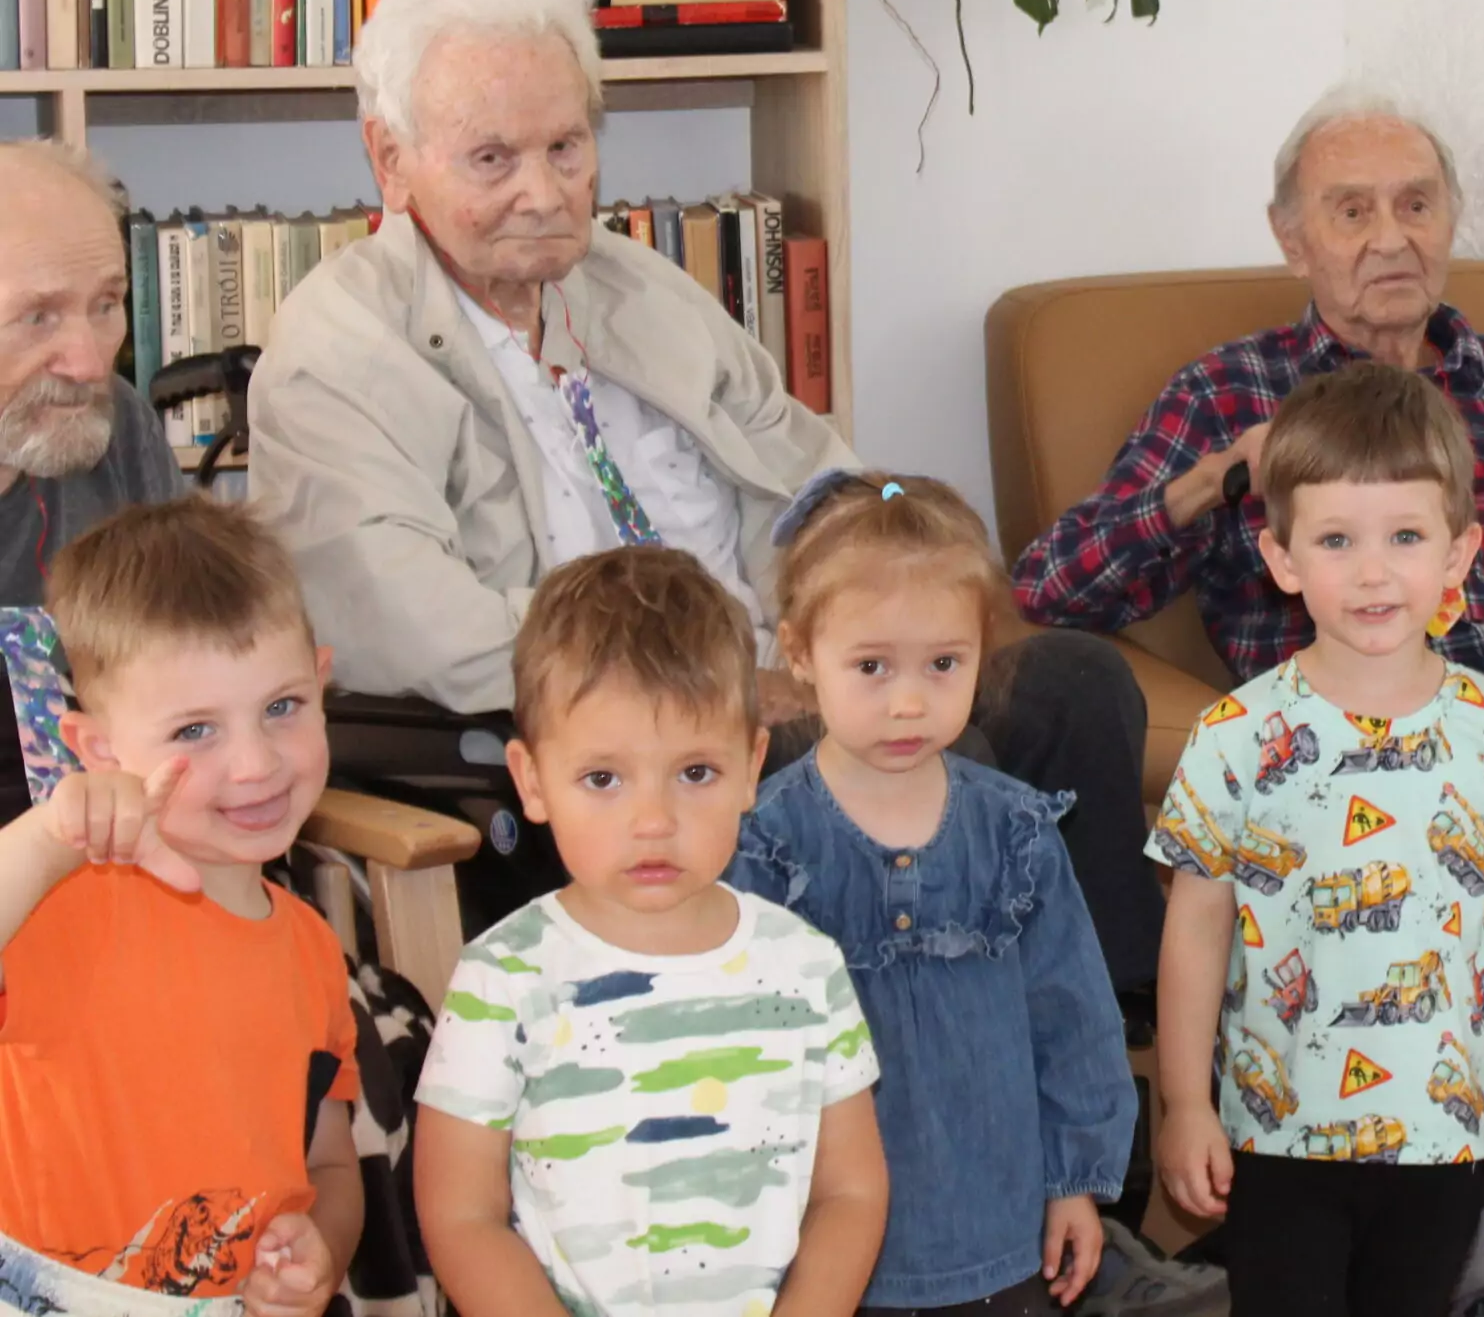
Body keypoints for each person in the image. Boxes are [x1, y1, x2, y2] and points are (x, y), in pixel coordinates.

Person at [247, 0, 1161, 997]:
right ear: (391, 158)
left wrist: (893, 545)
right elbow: (421, 631)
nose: (543, 193)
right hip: (626, 756)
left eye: (566, 148)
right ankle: (941, 1081)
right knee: (935, 778)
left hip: (789, 678)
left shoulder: (631, 284)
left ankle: (1110, 1041)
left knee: (1071, 686)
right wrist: (721, 693)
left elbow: (815, 476)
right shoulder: (338, 351)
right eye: (492, 159)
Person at [1148, 361, 1484, 1317]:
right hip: (1276, 1133)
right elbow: (1195, 927)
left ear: (1460, 552)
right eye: (1337, 539)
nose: (1373, 571)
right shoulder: (1236, 735)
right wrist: (1184, 1103)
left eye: (1405, 536)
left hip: (1442, 1133)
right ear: (1283, 558)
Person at [1012, 87, 1484, 706]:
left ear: (1450, 222)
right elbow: (1048, 587)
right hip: (1345, 739)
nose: (1391, 239)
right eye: (1352, 212)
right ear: (1291, 241)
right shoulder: (1228, 393)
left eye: (1415, 205)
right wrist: (1217, 480)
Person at [413, 545, 890, 1317]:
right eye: (603, 778)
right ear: (532, 779)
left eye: (695, 772)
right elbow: (462, 1215)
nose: (654, 820)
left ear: (750, 765)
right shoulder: (502, 977)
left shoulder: (806, 966)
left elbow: (852, 1191)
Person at [725, 471, 1136, 1317]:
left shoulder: (1017, 830)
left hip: (1000, 1229)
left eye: (944, 663)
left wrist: (1074, 1181)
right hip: (828, 1253)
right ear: (799, 654)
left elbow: (1073, 1015)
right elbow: (737, 1051)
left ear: (982, 649)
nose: (909, 701)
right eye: (871, 666)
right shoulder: (766, 840)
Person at [0, 496, 358, 1316]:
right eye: (196, 730)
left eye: (282, 706)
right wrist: (50, 838)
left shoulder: (313, 949)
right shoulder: (58, 904)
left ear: (322, 682)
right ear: (98, 749)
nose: (255, 763)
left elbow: (330, 1164)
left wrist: (322, 1251)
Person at [0, 141, 184, 826]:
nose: (87, 363)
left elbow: (201, 675)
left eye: (106, 304)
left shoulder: (117, 427)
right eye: (38, 317)